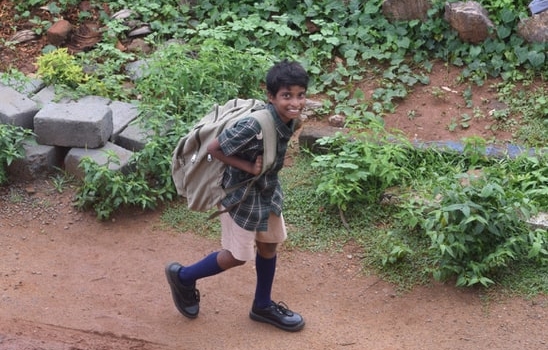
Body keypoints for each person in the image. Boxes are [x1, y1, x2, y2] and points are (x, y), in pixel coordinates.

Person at [165, 60, 309, 332]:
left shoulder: (289, 119)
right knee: (237, 255)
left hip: (266, 189)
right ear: (271, 96)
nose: (295, 102)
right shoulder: (252, 126)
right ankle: (182, 277)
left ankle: (262, 306)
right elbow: (214, 148)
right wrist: (248, 166)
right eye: (286, 96)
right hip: (240, 195)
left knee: (268, 245)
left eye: (300, 95)